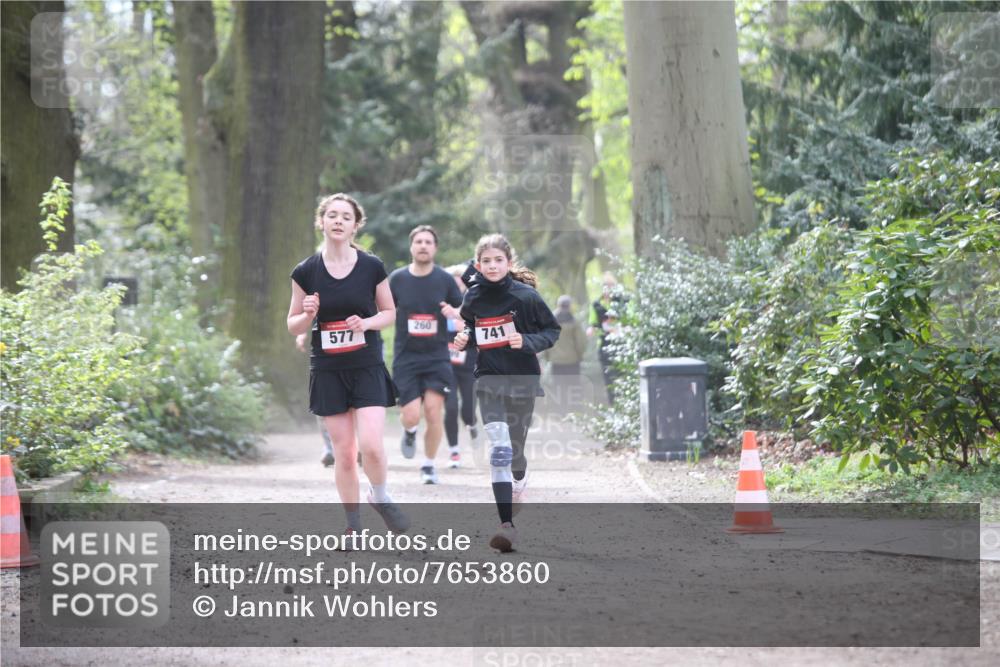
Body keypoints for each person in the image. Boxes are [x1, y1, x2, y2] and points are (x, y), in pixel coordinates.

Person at [287, 193, 408, 537]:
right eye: (332, 215)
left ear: (355, 226)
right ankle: (353, 525)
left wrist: (366, 323)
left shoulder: (371, 266)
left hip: (366, 364)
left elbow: (389, 312)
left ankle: (380, 497)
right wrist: (308, 315)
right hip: (328, 369)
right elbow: (293, 324)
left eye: (345, 216)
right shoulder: (305, 271)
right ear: (321, 222)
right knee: (344, 452)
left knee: (371, 446)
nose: (338, 221)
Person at [453, 234, 560, 552]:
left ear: (509, 263)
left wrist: (526, 342)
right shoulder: (473, 297)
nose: (492, 265)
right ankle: (506, 526)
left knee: (515, 452)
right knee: (499, 449)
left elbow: (551, 330)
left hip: (523, 379)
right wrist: (465, 339)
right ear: (478, 265)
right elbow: (471, 326)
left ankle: (519, 478)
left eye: (498, 260)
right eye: (486, 261)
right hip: (489, 379)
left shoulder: (527, 297)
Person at [388, 226, 464, 484]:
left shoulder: (445, 280)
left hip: (437, 357)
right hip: (406, 357)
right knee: (410, 414)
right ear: (411, 247)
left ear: (435, 248)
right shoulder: (397, 279)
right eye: (418, 241)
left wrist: (454, 314)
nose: (423, 246)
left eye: (428, 242)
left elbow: (462, 312)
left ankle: (429, 465)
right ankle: (410, 431)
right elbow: (384, 310)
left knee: (433, 412)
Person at [444, 264, 479, 458]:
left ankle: (472, 424)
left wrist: (464, 326)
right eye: (453, 282)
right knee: (450, 408)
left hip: (468, 364)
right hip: (446, 365)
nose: (457, 286)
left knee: (468, 410)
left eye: (460, 282)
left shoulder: (474, 302)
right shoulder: (441, 303)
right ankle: (454, 450)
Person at [296, 332, 336, 467]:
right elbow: (305, 318)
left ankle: (360, 445)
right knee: (323, 400)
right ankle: (329, 447)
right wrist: (302, 332)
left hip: (363, 351)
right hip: (323, 349)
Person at [589, 273, 625, 403]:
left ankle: (624, 403)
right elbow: (593, 323)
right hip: (604, 345)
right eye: (606, 286)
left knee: (622, 375)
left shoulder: (623, 302)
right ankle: (613, 404)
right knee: (608, 377)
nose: (608, 290)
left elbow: (632, 321)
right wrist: (593, 329)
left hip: (622, 345)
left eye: (611, 286)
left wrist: (620, 327)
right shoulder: (596, 304)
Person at [545, 295, 587, 376]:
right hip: (572, 360)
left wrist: (547, 357)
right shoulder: (574, 321)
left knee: (558, 383)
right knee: (573, 383)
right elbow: (581, 342)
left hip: (556, 361)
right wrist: (580, 356)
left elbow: (546, 340)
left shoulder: (549, 321)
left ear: (558, 305)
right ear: (569, 306)